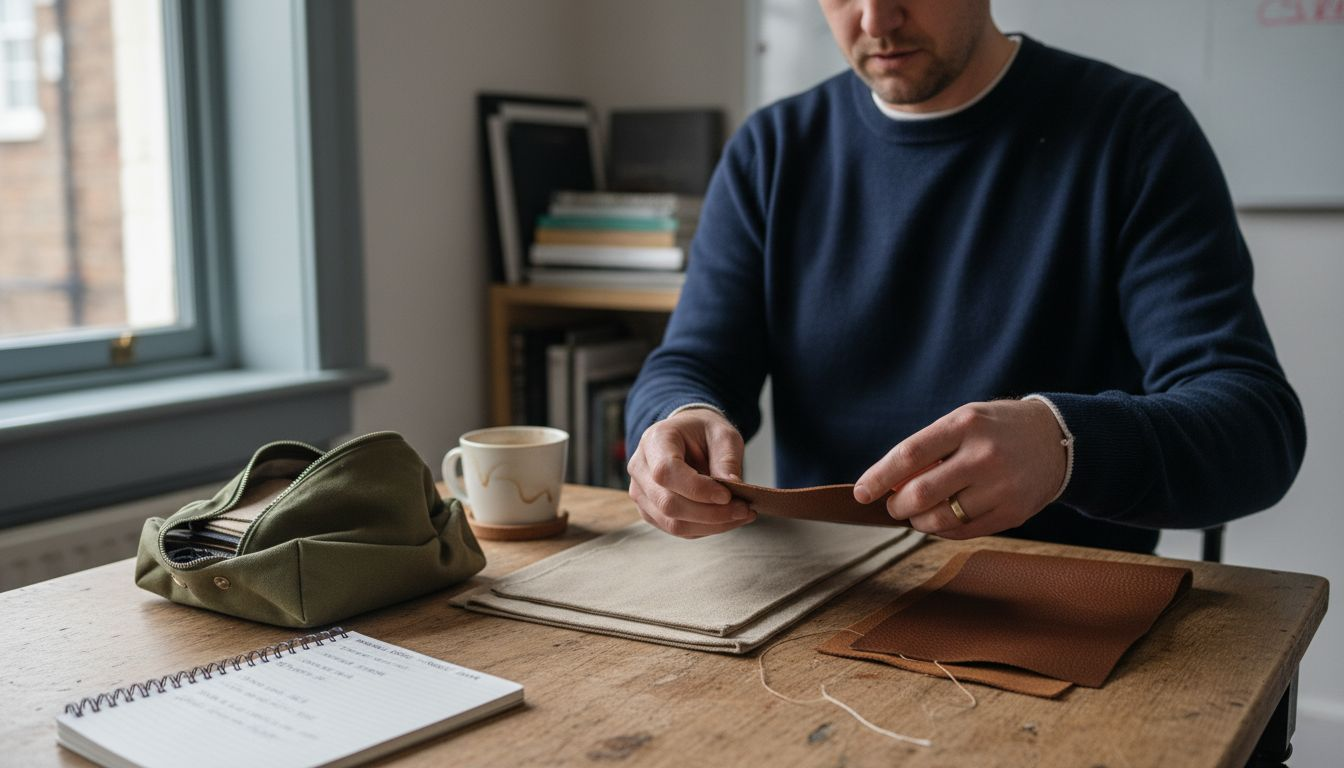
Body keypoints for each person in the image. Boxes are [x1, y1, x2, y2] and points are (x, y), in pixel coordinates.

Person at [622, 0, 1306, 554]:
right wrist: (675, 420)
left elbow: (1256, 428)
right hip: (821, 601)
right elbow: (694, 361)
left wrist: (1064, 443)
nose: (875, 20)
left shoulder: (1135, 135)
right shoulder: (771, 150)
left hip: (1060, 614)